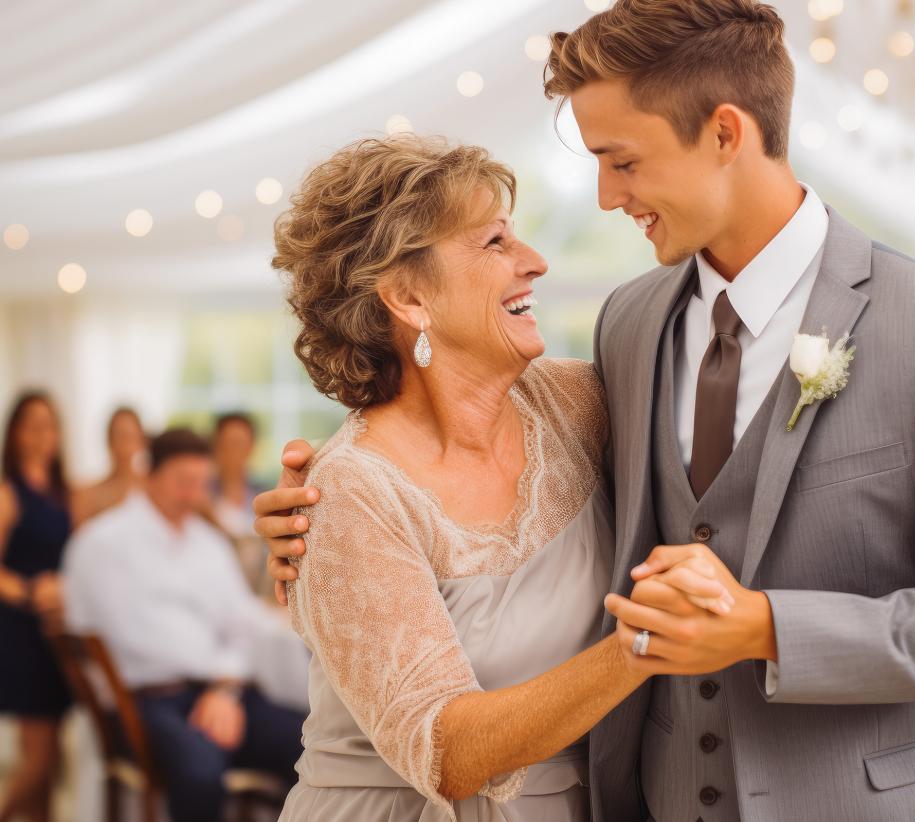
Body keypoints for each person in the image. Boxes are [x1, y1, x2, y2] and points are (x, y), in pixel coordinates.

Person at [258, 2, 915, 820]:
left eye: (622, 160)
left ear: (723, 133)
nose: (606, 198)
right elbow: (423, 480)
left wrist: (766, 627)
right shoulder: (629, 328)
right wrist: (311, 530)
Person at [256, 134, 730, 822]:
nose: (534, 262)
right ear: (408, 298)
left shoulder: (578, 405)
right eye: (494, 243)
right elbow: (448, 755)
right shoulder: (348, 493)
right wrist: (643, 644)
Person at [63, 429, 305, 822]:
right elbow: (132, 641)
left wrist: (224, 689)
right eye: (183, 483)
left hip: (219, 692)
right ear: (149, 476)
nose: (194, 495)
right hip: (144, 701)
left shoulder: (208, 544)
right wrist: (215, 685)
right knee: (200, 771)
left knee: (309, 743)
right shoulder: (102, 544)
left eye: (201, 484)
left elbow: (241, 624)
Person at [0, 392, 74, 822]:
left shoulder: (62, 493)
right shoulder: (9, 492)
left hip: (55, 635)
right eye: (31, 425)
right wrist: (31, 591)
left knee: (50, 763)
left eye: (49, 425)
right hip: (21, 634)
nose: (42, 435)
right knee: (40, 758)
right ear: (15, 433)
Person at [76, 406, 148, 524]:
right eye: (119, 436)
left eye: (129, 437)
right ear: (109, 441)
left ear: (141, 441)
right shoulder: (88, 495)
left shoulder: (152, 489)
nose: (124, 445)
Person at [211, 412, 260, 540]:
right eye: (227, 445)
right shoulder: (201, 495)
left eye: (239, 444)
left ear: (251, 447)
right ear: (216, 446)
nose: (233, 453)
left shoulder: (263, 493)